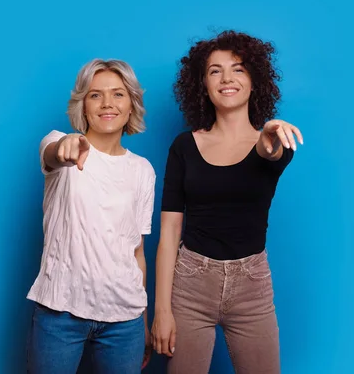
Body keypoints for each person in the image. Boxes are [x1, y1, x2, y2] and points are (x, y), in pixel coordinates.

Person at [151, 30, 304, 374]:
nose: (227, 78)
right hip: (190, 285)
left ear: (254, 81)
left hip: (252, 288)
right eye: (215, 71)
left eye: (238, 68)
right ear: (202, 84)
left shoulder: (273, 140)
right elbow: (169, 234)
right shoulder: (183, 147)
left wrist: (269, 134)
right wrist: (162, 310)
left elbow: (270, 152)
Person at [26, 59, 155, 374]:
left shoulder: (142, 170)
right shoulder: (62, 146)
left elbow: (137, 251)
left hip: (125, 322)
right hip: (61, 314)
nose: (107, 103)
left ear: (131, 105)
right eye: (96, 95)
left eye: (118, 94)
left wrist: (144, 319)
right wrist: (65, 145)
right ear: (83, 105)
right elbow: (53, 154)